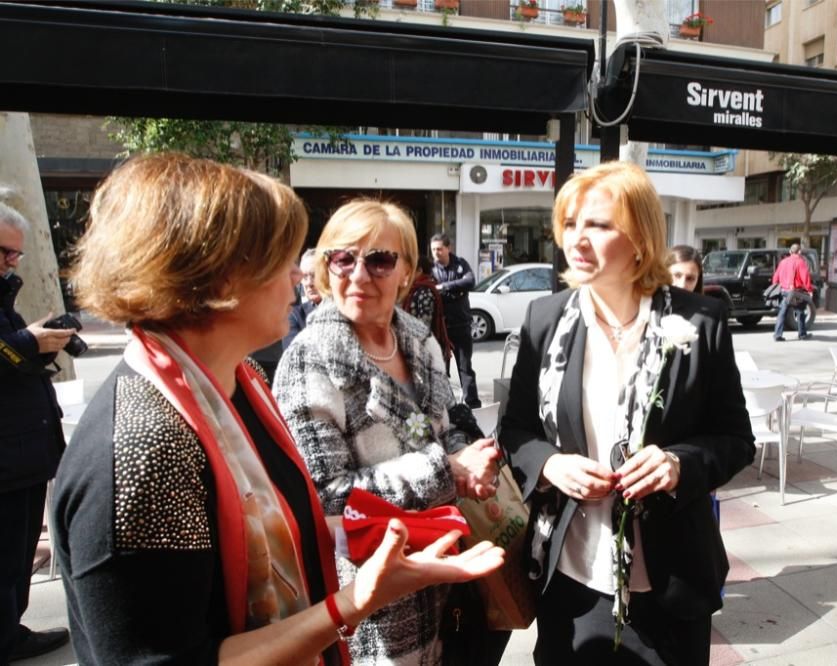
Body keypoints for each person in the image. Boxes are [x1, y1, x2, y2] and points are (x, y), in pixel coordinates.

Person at [53, 154, 503, 665]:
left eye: (379, 259)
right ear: (218, 275)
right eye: (284, 259)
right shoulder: (145, 443)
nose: (300, 277)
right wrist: (356, 601)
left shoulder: (239, 383)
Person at [499, 161, 755, 665]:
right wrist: (551, 464)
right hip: (571, 579)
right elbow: (515, 429)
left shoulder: (700, 321)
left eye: (598, 224)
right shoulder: (545, 319)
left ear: (639, 236)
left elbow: (735, 438)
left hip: (670, 581)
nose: (578, 239)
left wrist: (679, 463)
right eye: (570, 224)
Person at [274, 200, 501, 665]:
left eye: (379, 260)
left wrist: (472, 462)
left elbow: (442, 423)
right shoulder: (310, 357)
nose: (359, 275)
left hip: (446, 579)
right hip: (371, 600)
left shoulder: (416, 337)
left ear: (406, 271)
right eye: (343, 258)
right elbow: (322, 496)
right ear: (324, 267)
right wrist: (446, 470)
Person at [0, 202, 73, 663]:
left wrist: (39, 346)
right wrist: (28, 342)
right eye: (5, 252)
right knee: (6, 556)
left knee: (16, 554)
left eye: (16, 255)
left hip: (22, 452)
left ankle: (10, 632)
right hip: (8, 456)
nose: (12, 262)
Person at [430, 233, 481, 408]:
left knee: (465, 369)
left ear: (448, 248)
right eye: (433, 249)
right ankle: (448, 407)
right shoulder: (431, 269)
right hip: (440, 328)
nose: (436, 253)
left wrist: (445, 287)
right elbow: (431, 291)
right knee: (440, 370)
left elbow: (470, 281)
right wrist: (456, 291)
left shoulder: (460, 264)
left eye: (439, 249)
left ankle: (473, 406)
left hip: (461, 325)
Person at [403, 255, 452, 367]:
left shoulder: (425, 291)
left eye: (409, 270)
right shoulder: (414, 288)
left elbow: (424, 327)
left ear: (419, 270)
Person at [771, 243, 813, 341]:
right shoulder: (800, 262)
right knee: (800, 312)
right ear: (799, 252)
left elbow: (775, 277)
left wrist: (777, 285)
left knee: (782, 313)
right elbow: (805, 278)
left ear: (790, 251)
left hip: (784, 291)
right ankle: (802, 334)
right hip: (795, 292)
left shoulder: (783, 262)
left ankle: (777, 335)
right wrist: (809, 290)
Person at [283, 248, 321, 349]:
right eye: (304, 277)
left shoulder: (346, 311)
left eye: (314, 275)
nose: (309, 283)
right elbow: (293, 355)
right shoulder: (295, 315)